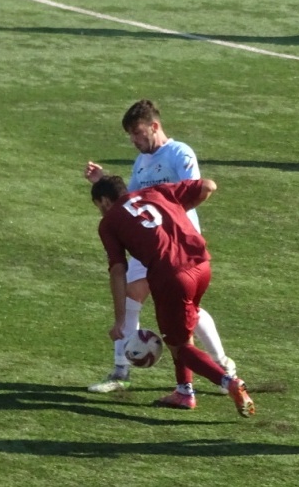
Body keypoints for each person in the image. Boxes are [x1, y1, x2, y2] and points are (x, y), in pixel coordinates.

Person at [85, 99, 238, 407]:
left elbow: (194, 188)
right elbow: (129, 201)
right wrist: (103, 183)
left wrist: (175, 218)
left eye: (137, 133)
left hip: (178, 244)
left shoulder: (180, 153)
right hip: (148, 245)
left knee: (188, 313)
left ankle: (222, 366)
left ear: (154, 126)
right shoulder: (141, 162)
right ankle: (121, 370)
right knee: (131, 297)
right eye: (130, 135)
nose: (133, 140)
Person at [91, 175, 255, 417]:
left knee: (178, 346)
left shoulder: (109, 222)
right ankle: (184, 392)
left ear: (104, 201)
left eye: (99, 206)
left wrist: (120, 320)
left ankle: (229, 382)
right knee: (183, 329)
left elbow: (117, 271)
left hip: (171, 276)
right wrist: (178, 209)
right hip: (202, 266)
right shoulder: (156, 192)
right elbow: (208, 185)